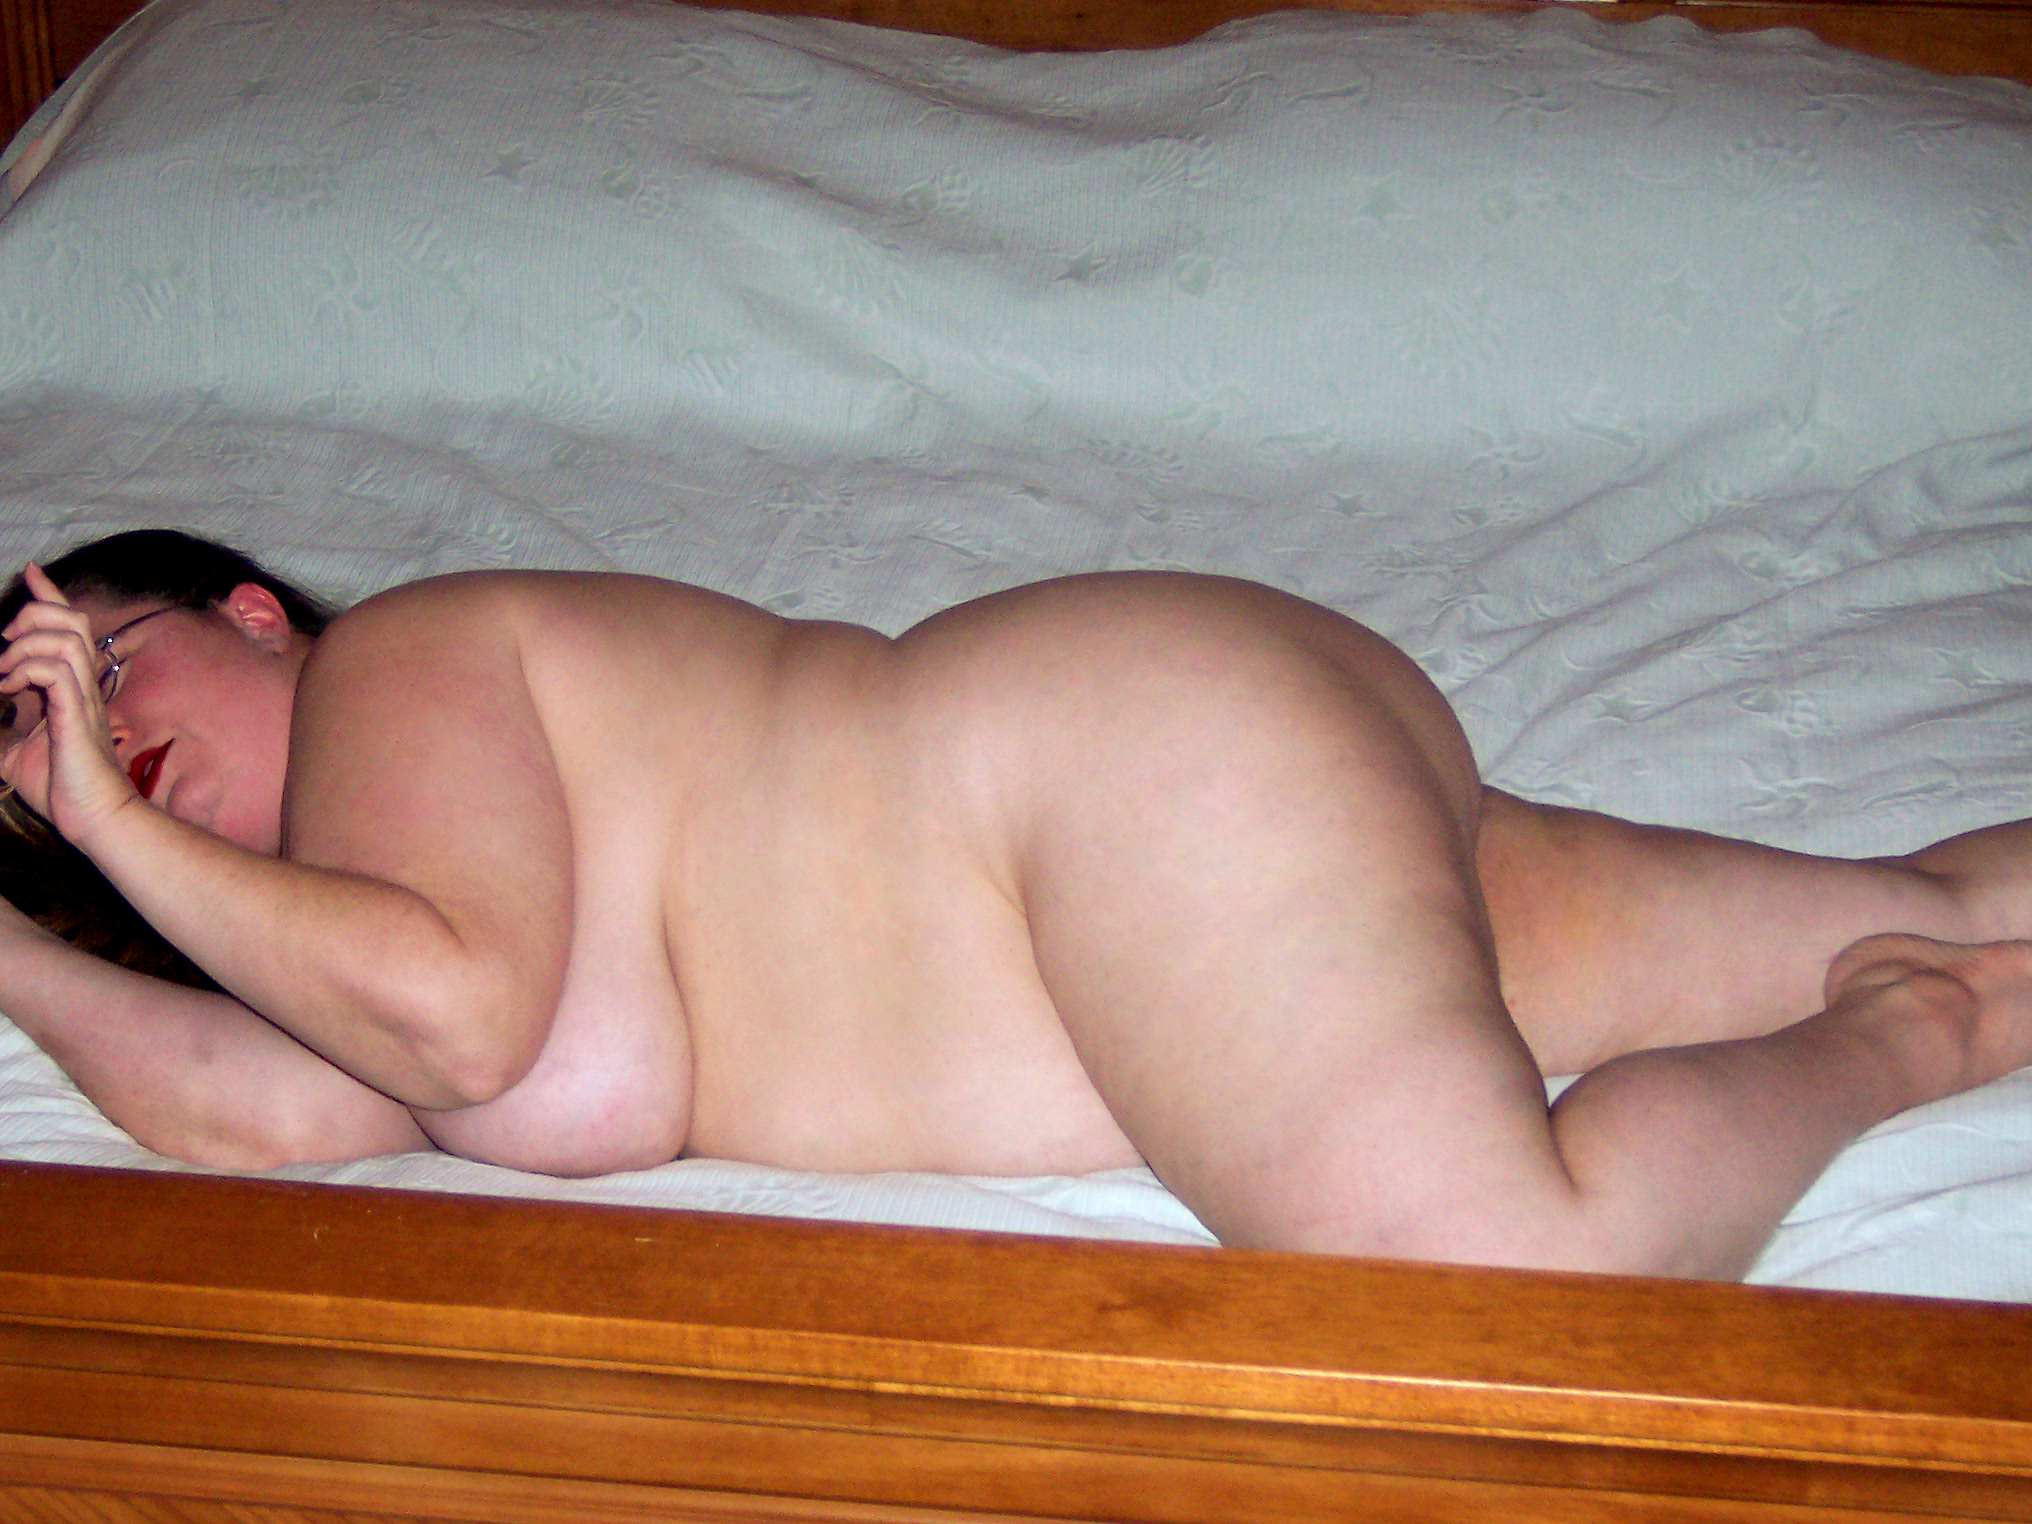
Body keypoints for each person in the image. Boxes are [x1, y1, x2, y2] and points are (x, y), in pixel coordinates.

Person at [1, 529, 2028, 1280]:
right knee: (1921, 889)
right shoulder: (340, 942)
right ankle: (1928, 960)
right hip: (1185, 914)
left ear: (252, 612)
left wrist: (103, 814)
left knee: (1483, 1272)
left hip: (1103, 778)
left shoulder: (400, 661)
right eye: (29, 737)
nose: (95, 735)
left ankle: (1904, 1033)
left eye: (109, 665)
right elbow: (256, 1108)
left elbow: (462, 1018)